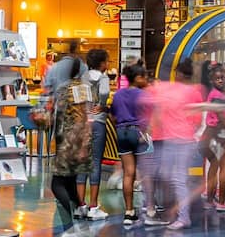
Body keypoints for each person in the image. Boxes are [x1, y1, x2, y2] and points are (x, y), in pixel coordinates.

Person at [142, 64, 205, 230]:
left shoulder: (167, 89)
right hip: (182, 139)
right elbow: (197, 119)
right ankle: (178, 211)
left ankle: (183, 216)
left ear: (179, 74)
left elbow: (146, 98)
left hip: (177, 140)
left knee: (174, 177)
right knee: (172, 176)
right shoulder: (194, 92)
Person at [46, 64, 97, 233]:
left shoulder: (63, 90)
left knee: (57, 183)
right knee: (70, 183)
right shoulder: (87, 90)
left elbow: (57, 116)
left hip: (67, 142)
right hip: (82, 141)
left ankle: (69, 223)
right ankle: (78, 219)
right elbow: (89, 117)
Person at [109, 63, 153, 227]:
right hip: (140, 132)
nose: (146, 79)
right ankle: (150, 210)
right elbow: (151, 115)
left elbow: (113, 116)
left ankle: (128, 212)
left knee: (128, 173)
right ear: (138, 78)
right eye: (144, 76)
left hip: (122, 132)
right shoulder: (143, 94)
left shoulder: (118, 94)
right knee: (146, 173)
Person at [77, 49, 115, 220]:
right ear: (101, 64)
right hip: (98, 122)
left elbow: (78, 97)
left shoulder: (83, 76)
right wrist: (101, 104)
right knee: (95, 162)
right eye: (106, 61)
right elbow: (105, 92)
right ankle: (93, 205)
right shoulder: (103, 77)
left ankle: (80, 206)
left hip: (83, 122)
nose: (108, 65)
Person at [198, 62, 225, 213]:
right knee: (224, 168)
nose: (221, 80)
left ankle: (210, 200)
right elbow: (222, 117)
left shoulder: (215, 93)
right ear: (212, 80)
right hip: (221, 133)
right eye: (218, 78)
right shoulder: (218, 96)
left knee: (214, 166)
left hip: (212, 133)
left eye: (223, 77)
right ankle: (221, 201)